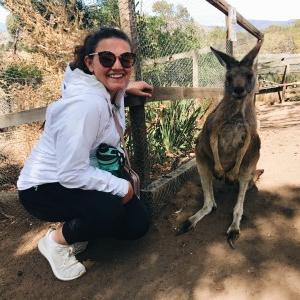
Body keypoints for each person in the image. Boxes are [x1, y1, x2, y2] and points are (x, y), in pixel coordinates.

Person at [17, 27, 153, 281]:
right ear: (90, 62)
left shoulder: (103, 89)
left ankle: (79, 228)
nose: (118, 65)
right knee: (111, 207)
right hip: (43, 188)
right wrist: (120, 187)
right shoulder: (86, 105)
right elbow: (70, 172)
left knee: (137, 224)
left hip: (76, 175)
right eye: (107, 58)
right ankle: (56, 242)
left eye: (126, 59)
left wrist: (126, 87)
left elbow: (108, 82)